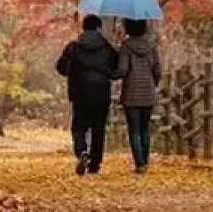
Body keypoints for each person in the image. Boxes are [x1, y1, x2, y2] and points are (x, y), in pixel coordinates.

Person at [56, 15, 118, 175]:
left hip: (80, 92)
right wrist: (106, 74)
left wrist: (73, 71)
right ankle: (94, 163)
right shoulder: (106, 47)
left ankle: (81, 151)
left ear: (83, 28)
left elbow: (60, 67)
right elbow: (116, 65)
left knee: (79, 126)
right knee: (98, 128)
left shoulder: (73, 47)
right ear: (98, 28)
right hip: (101, 92)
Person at [111, 19, 161, 174]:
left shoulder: (126, 46)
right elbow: (158, 70)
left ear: (128, 27)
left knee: (134, 130)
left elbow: (123, 70)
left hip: (131, 95)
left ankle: (139, 164)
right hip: (148, 93)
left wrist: (110, 75)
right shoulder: (152, 46)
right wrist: (153, 84)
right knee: (145, 128)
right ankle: (145, 161)